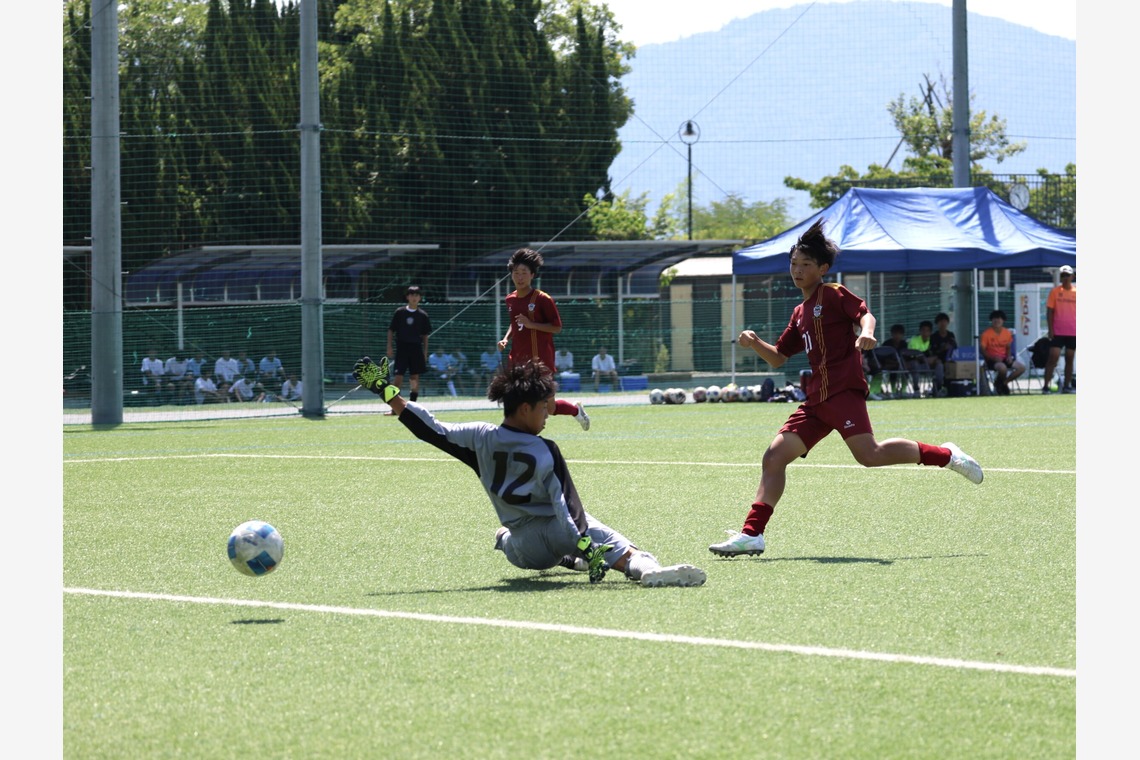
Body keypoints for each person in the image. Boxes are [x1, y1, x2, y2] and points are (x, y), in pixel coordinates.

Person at [707, 218, 983, 558]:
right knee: (774, 457)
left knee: (870, 456)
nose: (797, 270)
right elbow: (778, 357)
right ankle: (752, 534)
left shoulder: (833, 293)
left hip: (843, 392)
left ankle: (947, 456)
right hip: (816, 401)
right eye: (794, 263)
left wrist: (866, 331)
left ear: (822, 268)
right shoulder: (799, 313)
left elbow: (865, 314)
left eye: (805, 264)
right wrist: (754, 342)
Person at [352, 355, 706, 587]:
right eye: (543, 408)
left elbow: (431, 429)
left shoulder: (479, 437)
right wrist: (585, 542)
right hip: (559, 532)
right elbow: (568, 507)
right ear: (524, 409)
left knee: (504, 535)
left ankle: (562, 557)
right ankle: (645, 570)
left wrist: (387, 392)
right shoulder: (544, 449)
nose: (547, 415)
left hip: (522, 550)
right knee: (620, 548)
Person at [497, 247, 590, 430]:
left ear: (532, 275)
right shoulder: (510, 299)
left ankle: (575, 410)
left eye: (524, 273)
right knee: (516, 397)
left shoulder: (542, 299)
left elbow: (557, 327)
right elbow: (515, 323)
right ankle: (517, 433)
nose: (520, 277)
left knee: (550, 408)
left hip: (540, 361)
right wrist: (506, 338)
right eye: (516, 272)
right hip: (517, 359)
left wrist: (532, 325)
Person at [386, 285, 432, 403]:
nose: (414, 297)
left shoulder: (423, 315)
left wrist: (425, 353)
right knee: (398, 377)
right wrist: (389, 347)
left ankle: (412, 405)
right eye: (411, 295)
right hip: (402, 349)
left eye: (416, 295)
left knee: (414, 378)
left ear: (420, 298)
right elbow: (391, 330)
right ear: (407, 297)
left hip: (416, 349)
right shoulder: (400, 312)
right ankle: (396, 406)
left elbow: (425, 335)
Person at [1042, 265, 1076, 394]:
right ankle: (1046, 386)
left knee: (1069, 358)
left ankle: (1067, 386)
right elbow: (1049, 311)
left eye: (1068, 275)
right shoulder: (1055, 292)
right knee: (1053, 358)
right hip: (1058, 331)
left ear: (1073, 276)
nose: (1065, 277)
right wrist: (1051, 330)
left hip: (1073, 331)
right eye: (1063, 275)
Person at [980, 309, 1026, 395]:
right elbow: (982, 350)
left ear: (1003, 320)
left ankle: (1003, 384)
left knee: (1021, 368)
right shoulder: (986, 334)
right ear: (991, 320)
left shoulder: (1007, 333)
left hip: (1004, 358)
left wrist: (1008, 356)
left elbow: (1008, 347)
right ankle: (1001, 386)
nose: (997, 321)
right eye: (995, 318)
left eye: (999, 318)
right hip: (991, 360)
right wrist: (993, 358)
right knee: (1002, 368)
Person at [906, 320, 942, 396]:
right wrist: (924, 359)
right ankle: (916, 389)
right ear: (920, 331)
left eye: (927, 331)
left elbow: (936, 354)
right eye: (923, 330)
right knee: (914, 364)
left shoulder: (933, 340)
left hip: (929, 365)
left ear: (930, 332)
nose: (925, 333)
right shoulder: (914, 340)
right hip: (917, 365)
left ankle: (937, 389)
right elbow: (911, 356)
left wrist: (933, 359)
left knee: (939, 364)